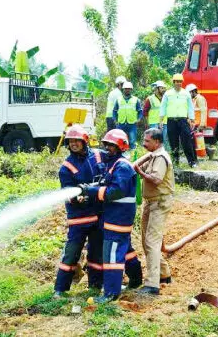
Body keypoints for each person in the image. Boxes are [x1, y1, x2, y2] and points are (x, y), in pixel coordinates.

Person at [82, 129, 142, 303]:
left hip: (118, 218)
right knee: (125, 249)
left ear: (121, 147)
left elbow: (116, 191)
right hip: (115, 218)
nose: (107, 148)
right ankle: (136, 279)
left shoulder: (122, 166)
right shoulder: (115, 164)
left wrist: (92, 191)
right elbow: (107, 183)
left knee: (113, 255)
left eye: (112, 145)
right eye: (106, 144)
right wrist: (91, 187)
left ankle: (111, 293)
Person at [53, 125, 104, 297]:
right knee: (71, 254)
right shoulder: (66, 167)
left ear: (85, 141)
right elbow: (67, 192)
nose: (73, 144)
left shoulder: (98, 155)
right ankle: (60, 289)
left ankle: (95, 286)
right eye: (70, 141)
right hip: (79, 219)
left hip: (97, 216)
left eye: (77, 141)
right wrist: (77, 198)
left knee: (96, 254)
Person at [134, 128, 175, 296]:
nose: (144, 143)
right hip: (151, 202)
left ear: (157, 142)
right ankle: (164, 274)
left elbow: (157, 180)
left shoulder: (161, 158)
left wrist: (140, 173)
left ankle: (152, 284)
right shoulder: (152, 155)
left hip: (160, 202)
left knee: (152, 241)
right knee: (146, 240)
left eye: (147, 141)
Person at [160, 74, 197, 167]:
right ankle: (175, 162)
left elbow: (190, 107)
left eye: (180, 82)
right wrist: (161, 119)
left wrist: (192, 119)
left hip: (183, 121)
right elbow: (163, 106)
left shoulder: (186, 93)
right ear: (173, 82)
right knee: (173, 142)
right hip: (171, 121)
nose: (178, 83)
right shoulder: (168, 94)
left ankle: (191, 162)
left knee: (187, 141)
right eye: (177, 81)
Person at [113, 81, 143, 149]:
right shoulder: (118, 99)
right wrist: (115, 120)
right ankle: (120, 154)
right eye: (126, 88)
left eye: (129, 89)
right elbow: (114, 111)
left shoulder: (136, 100)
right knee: (120, 140)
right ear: (123, 89)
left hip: (132, 123)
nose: (127, 90)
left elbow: (140, 111)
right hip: (121, 123)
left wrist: (138, 119)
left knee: (132, 141)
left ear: (131, 89)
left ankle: (132, 155)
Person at [143, 81, 168, 149]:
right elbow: (145, 112)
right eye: (162, 88)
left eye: (164, 88)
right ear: (156, 89)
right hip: (154, 123)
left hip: (164, 122)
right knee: (154, 140)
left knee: (164, 140)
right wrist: (147, 123)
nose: (163, 90)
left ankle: (163, 154)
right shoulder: (150, 99)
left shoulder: (166, 98)